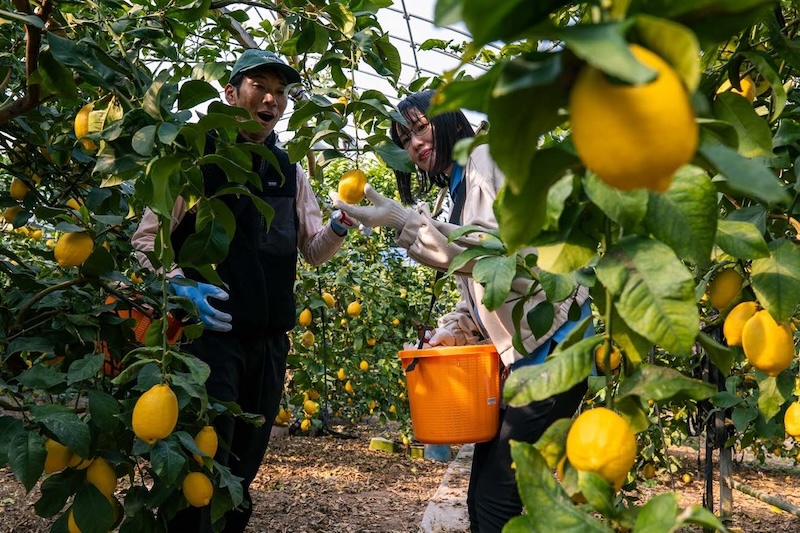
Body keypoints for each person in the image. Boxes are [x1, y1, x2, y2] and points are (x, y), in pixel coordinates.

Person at [334, 89, 592, 533]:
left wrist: (405, 222)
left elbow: (498, 253)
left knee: (494, 500)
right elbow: (480, 289)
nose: (414, 144)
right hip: (532, 356)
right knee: (486, 497)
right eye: (405, 140)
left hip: (557, 347)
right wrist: (450, 331)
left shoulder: (486, 159)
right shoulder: (457, 188)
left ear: (450, 118)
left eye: (420, 127)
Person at [131, 49, 358, 532]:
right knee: (202, 463)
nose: (272, 99)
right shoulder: (194, 160)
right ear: (231, 93)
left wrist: (339, 227)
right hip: (207, 340)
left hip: (270, 342)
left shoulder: (289, 171)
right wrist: (179, 288)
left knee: (242, 470)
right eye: (261, 87)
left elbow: (311, 249)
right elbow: (146, 242)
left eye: (280, 92)